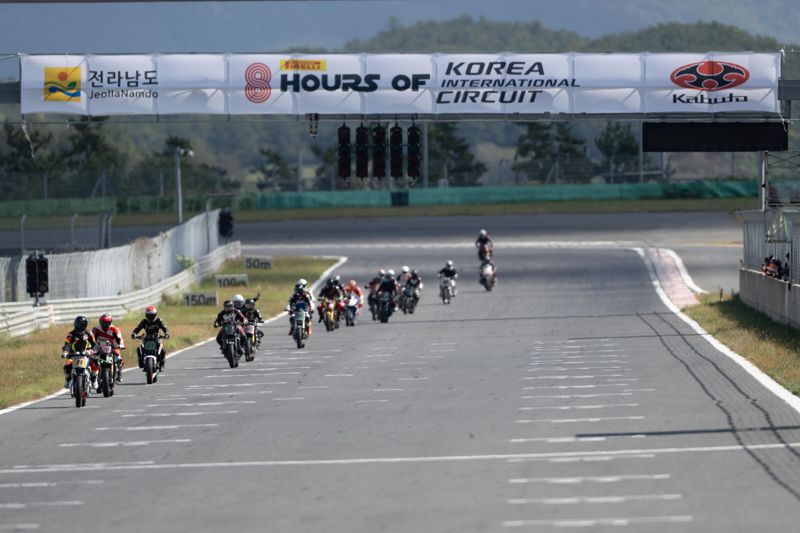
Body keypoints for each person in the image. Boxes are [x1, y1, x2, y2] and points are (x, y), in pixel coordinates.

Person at [61, 316, 96, 389]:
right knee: (67, 367)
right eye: (78, 324)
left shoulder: (89, 333)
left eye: (81, 324)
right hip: (73, 355)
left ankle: (94, 380)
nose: (79, 326)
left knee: (95, 363)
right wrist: (65, 352)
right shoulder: (71, 334)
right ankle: (67, 380)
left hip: (86, 354)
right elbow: (67, 344)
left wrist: (92, 350)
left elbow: (94, 344)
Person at [131, 306, 170, 371]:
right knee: (139, 348)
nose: (150, 317)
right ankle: (141, 362)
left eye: (152, 315)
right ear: (146, 315)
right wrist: (134, 333)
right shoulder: (144, 321)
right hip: (147, 338)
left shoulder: (158, 320)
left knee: (162, 350)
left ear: (155, 314)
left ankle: (161, 364)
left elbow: (164, 328)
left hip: (157, 338)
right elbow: (138, 328)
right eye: (149, 315)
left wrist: (166, 334)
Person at [92, 313, 125, 383]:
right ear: (100, 322)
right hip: (99, 347)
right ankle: (93, 377)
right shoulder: (96, 329)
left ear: (110, 322)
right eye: (103, 323)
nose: (105, 325)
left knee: (119, 358)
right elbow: (91, 339)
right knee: (92, 359)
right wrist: (91, 347)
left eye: (107, 323)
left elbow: (119, 338)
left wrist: (121, 345)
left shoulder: (114, 329)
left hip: (112, 346)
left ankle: (119, 372)